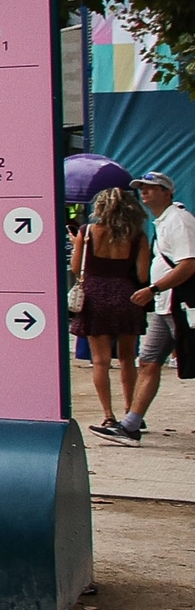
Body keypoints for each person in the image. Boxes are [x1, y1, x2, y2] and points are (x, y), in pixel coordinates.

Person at [94, 172, 195, 445]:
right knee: (148, 362)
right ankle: (131, 425)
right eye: (143, 189)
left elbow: (188, 265)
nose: (145, 193)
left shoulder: (179, 221)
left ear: (168, 192)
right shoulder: (162, 222)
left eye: (152, 188)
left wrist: (153, 289)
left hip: (181, 304)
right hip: (165, 307)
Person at [71, 188, 151, 432]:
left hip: (95, 298)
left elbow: (76, 268)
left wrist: (78, 246)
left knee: (100, 361)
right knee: (127, 358)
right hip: (127, 297)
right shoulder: (138, 236)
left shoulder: (87, 233)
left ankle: (108, 414)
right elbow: (142, 274)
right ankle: (131, 412)